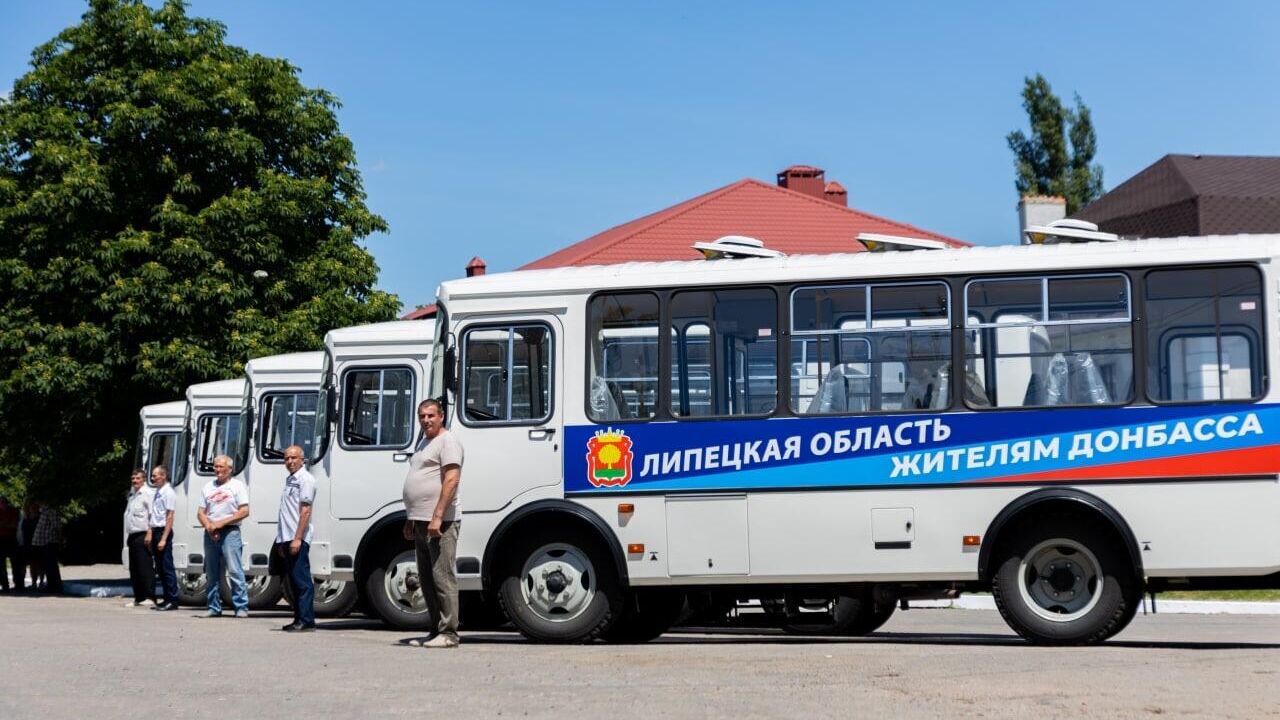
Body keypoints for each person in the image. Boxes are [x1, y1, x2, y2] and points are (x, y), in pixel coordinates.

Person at [401, 398, 464, 648]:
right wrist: (410, 518)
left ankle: (449, 633)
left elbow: (451, 479)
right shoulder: (424, 442)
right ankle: (435, 629)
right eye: (422, 416)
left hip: (441, 521)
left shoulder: (448, 441)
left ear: (441, 417)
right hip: (420, 520)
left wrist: (438, 515)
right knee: (426, 578)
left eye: (430, 416)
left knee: (442, 577)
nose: (426, 420)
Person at [198, 454, 250, 618]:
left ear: (230, 469)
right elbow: (200, 512)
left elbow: (244, 511)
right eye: (215, 466)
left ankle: (241, 606)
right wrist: (209, 527)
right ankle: (213, 607)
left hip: (230, 532)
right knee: (212, 572)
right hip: (210, 532)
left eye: (221, 467)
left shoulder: (237, 486)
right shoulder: (208, 487)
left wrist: (221, 524)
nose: (217, 470)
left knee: (234, 570)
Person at [275, 445, 316, 632]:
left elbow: (305, 511)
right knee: (292, 581)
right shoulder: (291, 479)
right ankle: (298, 618)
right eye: (286, 458)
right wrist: (281, 540)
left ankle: (306, 621)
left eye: (293, 458)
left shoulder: (305, 479)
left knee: (302, 581)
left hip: (297, 537)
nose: (289, 461)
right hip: (287, 536)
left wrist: (298, 538)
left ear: (302, 459)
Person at [147, 465, 179, 610]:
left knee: (167, 568)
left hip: (163, 532)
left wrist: (164, 538)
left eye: (155, 476)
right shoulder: (158, 492)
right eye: (152, 476)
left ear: (163, 476)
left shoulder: (168, 492)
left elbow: (170, 516)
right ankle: (166, 598)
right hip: (156, 531)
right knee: (159, 568)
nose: (153, 478)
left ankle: (172, 599)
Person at [124, 469, 157, 608]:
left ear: (143, 479)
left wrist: (150, 533)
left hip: (143, 534)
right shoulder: (133, 495)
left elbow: (152, 515)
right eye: (133, 478)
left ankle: (150, 596)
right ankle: (139, 597)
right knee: (135, 568)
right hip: (132, 535)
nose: (135, 481)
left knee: (145, 567)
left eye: (137, 478)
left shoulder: (148, 494)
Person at [30, 501, 62, 594]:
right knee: (47, 565)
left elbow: (57, 526)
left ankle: (55, 586)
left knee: (52, 565)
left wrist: (59, 540)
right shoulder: (43, 511)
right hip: (43, 542)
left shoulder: (51, 511)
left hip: (50, 541)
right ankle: (51, 585)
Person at [0, 498, 18, 592]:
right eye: (1, 503)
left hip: (11, 539)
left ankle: (18, 585)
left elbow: (14, 525)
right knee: (1, 565)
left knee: (15, 562)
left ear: (7, 503)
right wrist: (7, 524)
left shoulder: (13, 511)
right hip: (1, 540)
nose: (2, 504)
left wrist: (3, 524)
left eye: (4, 502)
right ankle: (5, 585)